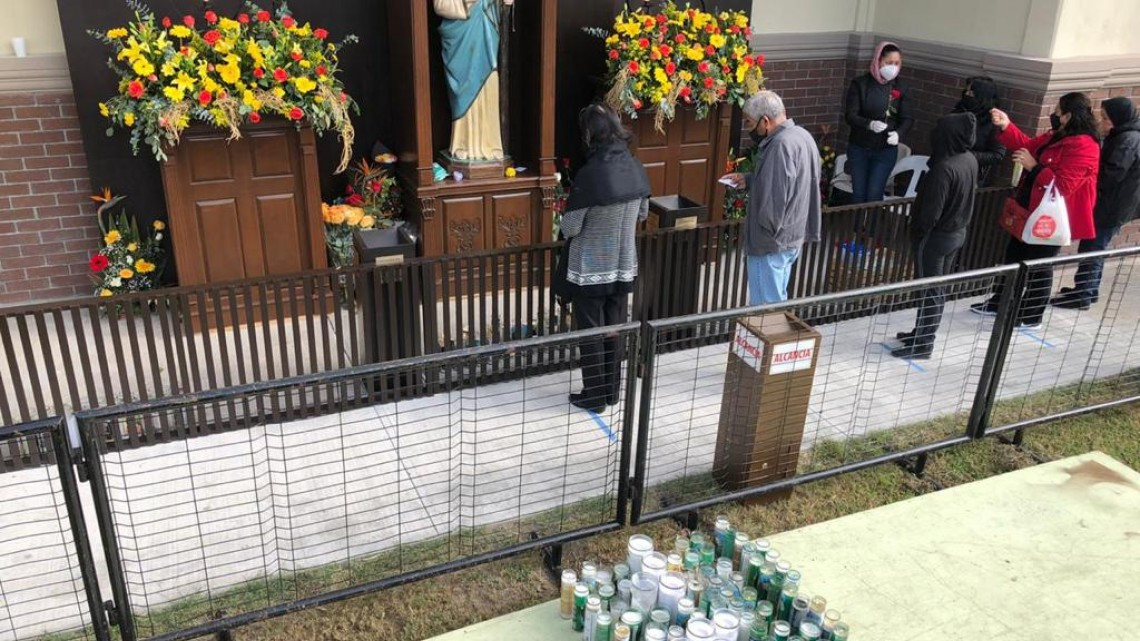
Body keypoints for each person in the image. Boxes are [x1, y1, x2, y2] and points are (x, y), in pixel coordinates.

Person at [970, 92, 1100, 327]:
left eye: (1059, 111)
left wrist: (1034, 166)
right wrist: (1007, 126)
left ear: (1068, 115)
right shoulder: (1057, 135)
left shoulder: (1084, 146)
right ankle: (1001, 301)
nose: (1055, 114)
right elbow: (1027, 146)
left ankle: (1031, 314)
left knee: (1038, 265)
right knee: (1014, 256)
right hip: (1030, 208)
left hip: (1051, 216)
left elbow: (1064, 185)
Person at [557, 103, 650, 413]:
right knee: (614, 328)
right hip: (623, 264)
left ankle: (594, 396)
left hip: (590, 268)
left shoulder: (591, 174)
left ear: (589, 134)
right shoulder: (635, 166)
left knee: (592, 334)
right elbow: (643, 213)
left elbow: (570, 227)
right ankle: (612, 392)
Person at [721, 91, 821, 305]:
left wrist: (765, 231)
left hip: (771, 243)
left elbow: (775, 197)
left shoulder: (779, 146)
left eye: (749, 123)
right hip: (792, 236)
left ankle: (772, 338)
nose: (749, 129)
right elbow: (794, 182)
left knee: (766, 310)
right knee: (776, 301)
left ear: (765, 121)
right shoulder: (802, 136)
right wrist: (750, 179)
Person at [893, 113, 979, 359]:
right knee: (937, 288)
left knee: (930, 289)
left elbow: (930, 213)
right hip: (956, 233)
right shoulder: (968, 159)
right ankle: (922, 332)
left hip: (935, 238)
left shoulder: (944, 169)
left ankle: (923, 343)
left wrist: (916, 231)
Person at [1051, 96, 1140, 310]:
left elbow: (1111, 174)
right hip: (1115, 204)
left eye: (1106, 119)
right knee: (1094, 247)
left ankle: (1083, 294)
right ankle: (1088, 290)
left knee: (1093, 248)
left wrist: (1089, 175)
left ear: (1119, 119)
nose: (1102, 123)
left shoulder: (1127, 140)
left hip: (1111, 206)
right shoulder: (1124, 135)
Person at [844, 41, 914, 203]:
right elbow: (851, 115)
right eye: (889, 63)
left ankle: (872, 228)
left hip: (885, 149)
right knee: (859, 193)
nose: (893, 67)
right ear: (878, 60)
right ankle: (855, 227)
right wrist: (869, 124)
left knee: (875, 193)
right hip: (860, 146)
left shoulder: (901, 86)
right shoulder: (861, 84)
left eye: (897, 63)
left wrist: (899, 133)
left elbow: (908, 118)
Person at [952, 76, 1007, 184]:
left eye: (971, 93)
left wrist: (965, 155)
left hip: (971, 174)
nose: (967, 95)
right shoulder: (959, 110)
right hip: (947, 166)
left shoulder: (994, 122)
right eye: (966, 92)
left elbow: (997, 155)